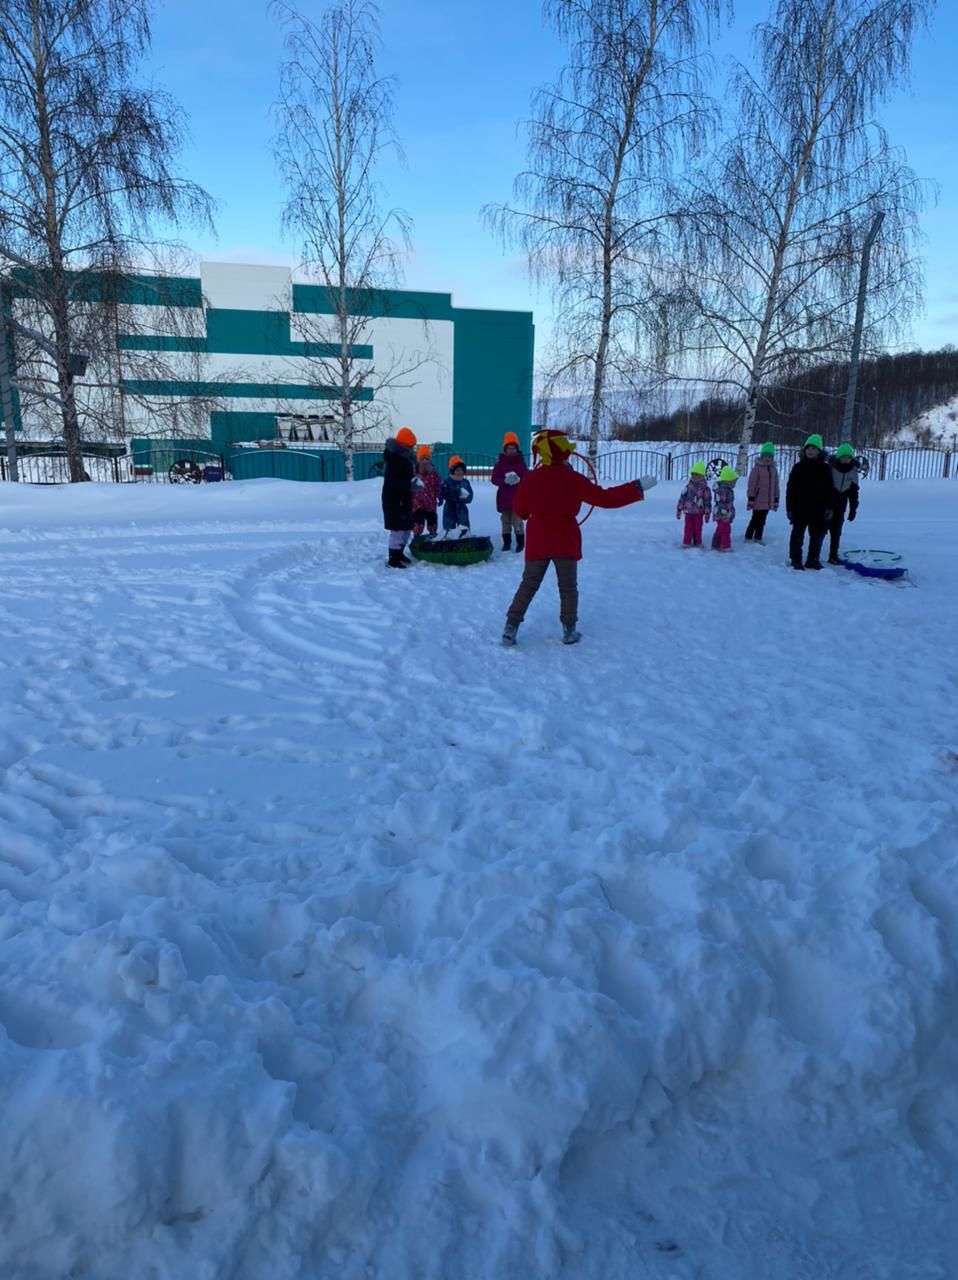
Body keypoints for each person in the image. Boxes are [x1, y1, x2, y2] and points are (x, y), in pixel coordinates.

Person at [502, 430, 656, 646]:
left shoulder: (531, 478)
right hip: (565, 536)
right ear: (561, 454)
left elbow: (521, 510)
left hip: (539, 538)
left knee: (529, 584)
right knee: (567, 587)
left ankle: (511, 627)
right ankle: (569, 630)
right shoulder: (573, 479)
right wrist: (635, 488)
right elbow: (604, 498)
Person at [786, 434, 833, 571]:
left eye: (813, 448)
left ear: (819, 451)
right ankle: (796, 559)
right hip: (800, 509)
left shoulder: (825, 469)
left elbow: (830, 489)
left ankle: (813, 559)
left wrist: (829, 507)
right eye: (808, 448)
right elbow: (790, 489)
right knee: (797, 535)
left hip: (818, 509)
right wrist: (789, 508)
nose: (810, 451)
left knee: (817, 536)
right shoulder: (798, 467)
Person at [382, 427, 417, 568]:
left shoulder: (404, 459)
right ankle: (393, 557)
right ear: (405, 445)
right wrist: (410, 484)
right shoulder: (396, 460)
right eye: (411, 445)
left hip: (403, 498)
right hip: (395, 501)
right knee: (397, 529)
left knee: (406, 527)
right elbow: (396, 482)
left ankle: (400, 552)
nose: (413, 448)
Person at [491, 431, 529, 551]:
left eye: (514, 448)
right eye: (509, 448)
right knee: (505, 522)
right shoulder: (500, 464)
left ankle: (520, 542)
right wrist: (505, 480)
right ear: (505, 449)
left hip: (518, 498)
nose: (511, 450)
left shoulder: (521, 464)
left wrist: (519, 480)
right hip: (504, 499)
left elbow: (526, 478)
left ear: (517, 449)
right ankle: (506, 543)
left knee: (517, 522)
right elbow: (494, 479)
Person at [826, 442, 860, 564]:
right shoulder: (831, 468)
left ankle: (833, 556)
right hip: (827, 504)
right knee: (821, 530)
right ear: (839, 457)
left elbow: (854, 493)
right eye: (843, 457)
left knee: (836, 532)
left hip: (841, 505)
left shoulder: (853, 471)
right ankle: (814, 555)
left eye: (848, 457)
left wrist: (853, 509)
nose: (846, 459)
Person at [744, 442, 780, 542]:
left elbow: (776, 486)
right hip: (757, 500)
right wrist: (751, 497)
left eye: (769, 456)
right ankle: (748, 536)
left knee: (762, 521)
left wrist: (776, 499)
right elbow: (752, 484)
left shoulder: (774, 470)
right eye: (765, 456)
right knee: (755, 519)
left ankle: (758, 538)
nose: (767, 458)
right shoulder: (757, 469)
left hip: (768, 502)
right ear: (761, 457)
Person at [675, 460, 711, 547]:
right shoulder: (688, 486)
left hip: (699, 512)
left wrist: (707, 513)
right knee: (688, 528)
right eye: (693, 474)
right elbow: (682, 497)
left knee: (698, 528)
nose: (694, 476)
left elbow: (707, 501)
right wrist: (679, 509)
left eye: (697, 474)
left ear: (702, 475)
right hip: (688, 511)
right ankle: (686, 542)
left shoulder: (705, 488)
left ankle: (697, 542)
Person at [411, 445, 442, 538]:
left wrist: (439, 496)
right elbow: (409, 486)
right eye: (422, 459)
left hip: (430, 502)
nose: (424, 462)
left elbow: (438, 484)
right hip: (417, 503)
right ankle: (416, 535)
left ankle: (432, 535)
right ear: (418, 460)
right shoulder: (414, 472)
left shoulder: (433, 473)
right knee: (418, 520)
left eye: (427, 459)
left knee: (432, 519)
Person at [440, 458, 474, 532]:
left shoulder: (465, 482)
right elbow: (442, 494)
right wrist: (448, 495)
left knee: (464, 528)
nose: (460, 472)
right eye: (457, 470)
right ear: (452, 471)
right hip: (449, 508)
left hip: (462, 509)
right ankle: (449, 542)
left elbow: (470, 496)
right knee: (449, 529)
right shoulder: (447, 482)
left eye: (461, 470)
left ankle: (465, 541)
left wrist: (466, 497)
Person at [711, 466, 738, 551]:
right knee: (726, 530)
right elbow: (722, 504)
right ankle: (726, 546)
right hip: (723, 514)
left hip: (722, 513)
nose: (735, 484)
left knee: (720, 529)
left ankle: (716, 544)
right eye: (733, 482)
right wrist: (725, 515)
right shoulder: (723, 490)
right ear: (728, 481)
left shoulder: (726, 489)